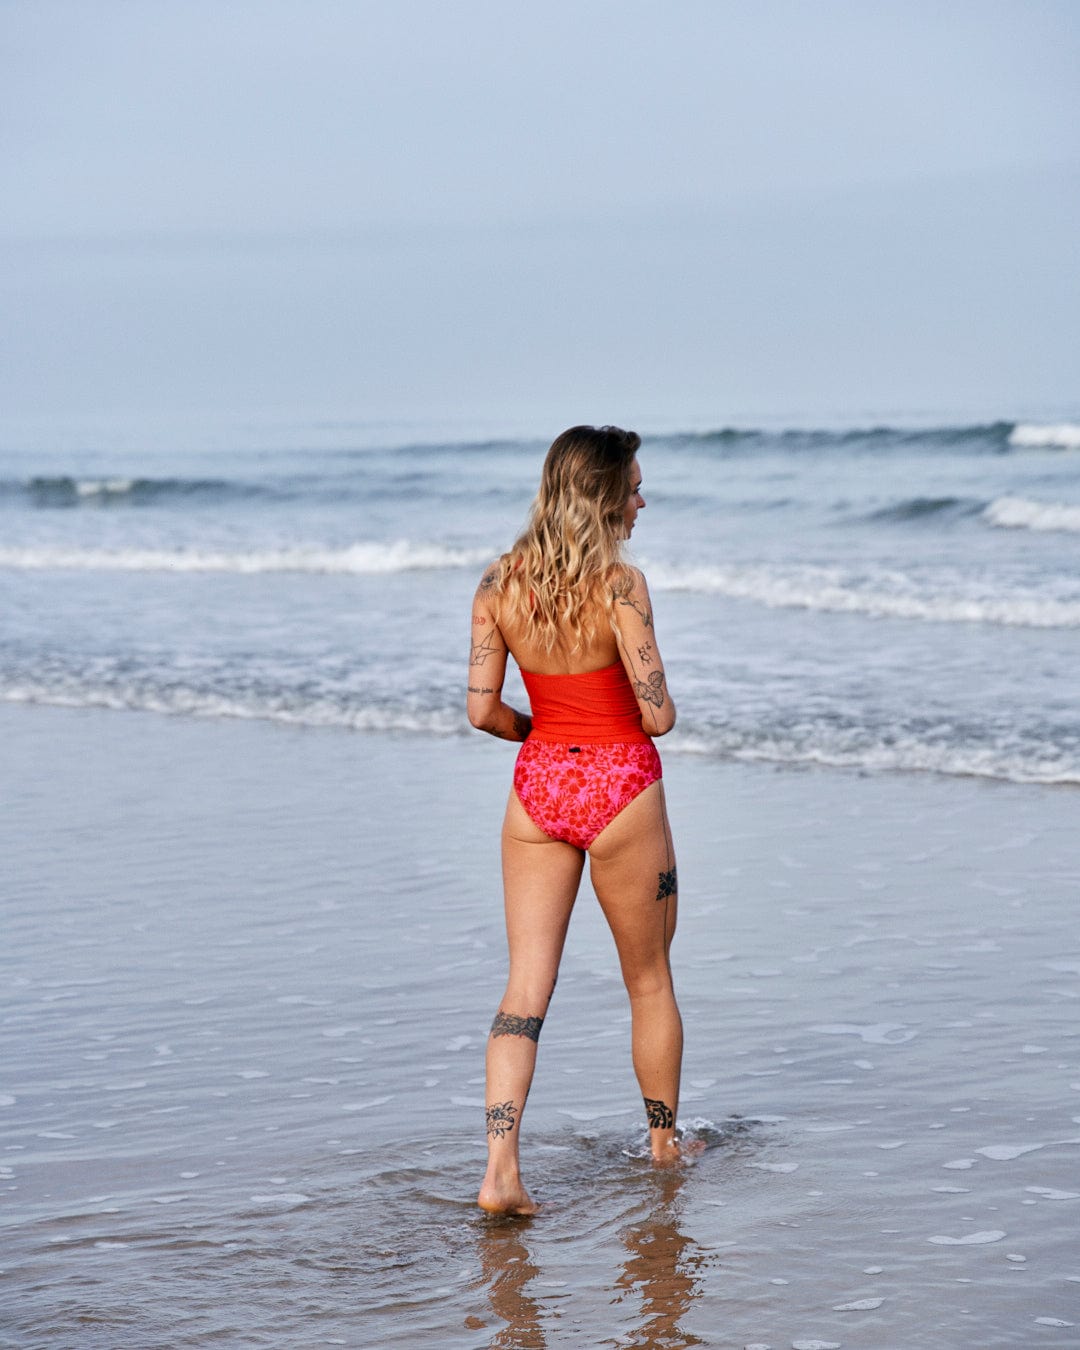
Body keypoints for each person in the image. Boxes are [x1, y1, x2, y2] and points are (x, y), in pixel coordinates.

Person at [467, 424, 683, 1216]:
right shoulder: (622, 586)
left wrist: (544, 737)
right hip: (622, 786)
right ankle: (664, 1145)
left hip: (540, 791)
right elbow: (658, 717)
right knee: (649, 979)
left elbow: (481, 711)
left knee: (525, 987)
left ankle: (500, 1171)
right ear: (603, 494)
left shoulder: (497, 583)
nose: (642, 498)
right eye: (633, 486)